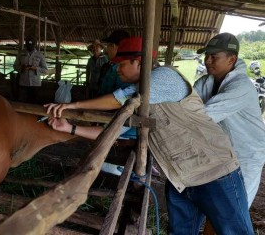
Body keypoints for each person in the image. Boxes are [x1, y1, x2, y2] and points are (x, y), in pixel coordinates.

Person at [46, 37, 254, 234]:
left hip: (214, 172)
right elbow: (112, 133)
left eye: (121, 64)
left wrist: (72, 104)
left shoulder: (164, 78)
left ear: (138, 63)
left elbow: (119, 99)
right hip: (179, 178)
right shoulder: (139, 103)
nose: (117, 69)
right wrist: (69, 128)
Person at [194, 32, 265, 208]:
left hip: (248, 152)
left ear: (231, 59)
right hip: (224, 149)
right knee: (218, 202)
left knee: (236, 208)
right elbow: (187, 101)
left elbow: (204, 115)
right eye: (206, 56)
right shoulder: (206, 82)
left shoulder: (241, 86)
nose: (207, 61)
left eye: (213, 57)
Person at [13, 36, 48, 104]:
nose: (30, 46)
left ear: (35, 44)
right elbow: (15, 66)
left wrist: (36, 68)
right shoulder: (21, 53)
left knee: (34, 103)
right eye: (28, 44)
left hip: (35, 84)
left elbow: (45, 70)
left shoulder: (40, 55)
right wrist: (22, 68)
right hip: (23, 83)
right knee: (22, 103)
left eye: (32, 44)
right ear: (26, 44)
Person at [98, 29, 132, 96]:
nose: (107, 49)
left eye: (107, 45)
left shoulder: (119, 69)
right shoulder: (114, 65)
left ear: (113, 46)